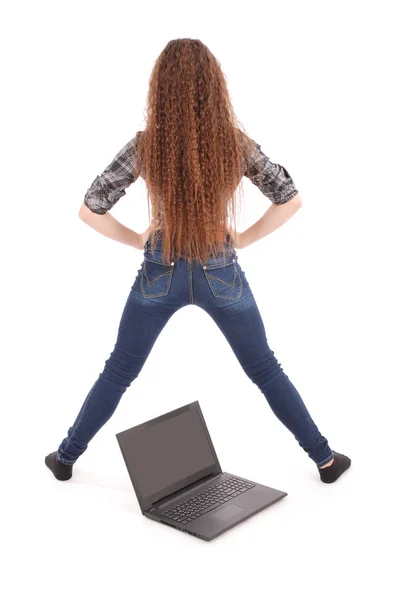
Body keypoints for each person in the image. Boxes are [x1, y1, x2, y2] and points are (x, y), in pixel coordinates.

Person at [45, 38, 351, 485]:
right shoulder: (235, 145)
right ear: (215, 86)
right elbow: (291, 199)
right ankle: (325, 460)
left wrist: (137, 239)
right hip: (220, 272)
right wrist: (242, 238)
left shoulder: (146, 146)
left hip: (159, 272)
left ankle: (66, 458)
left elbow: (89, 207)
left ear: (160, 89)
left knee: (119, 370)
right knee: (265, 369)